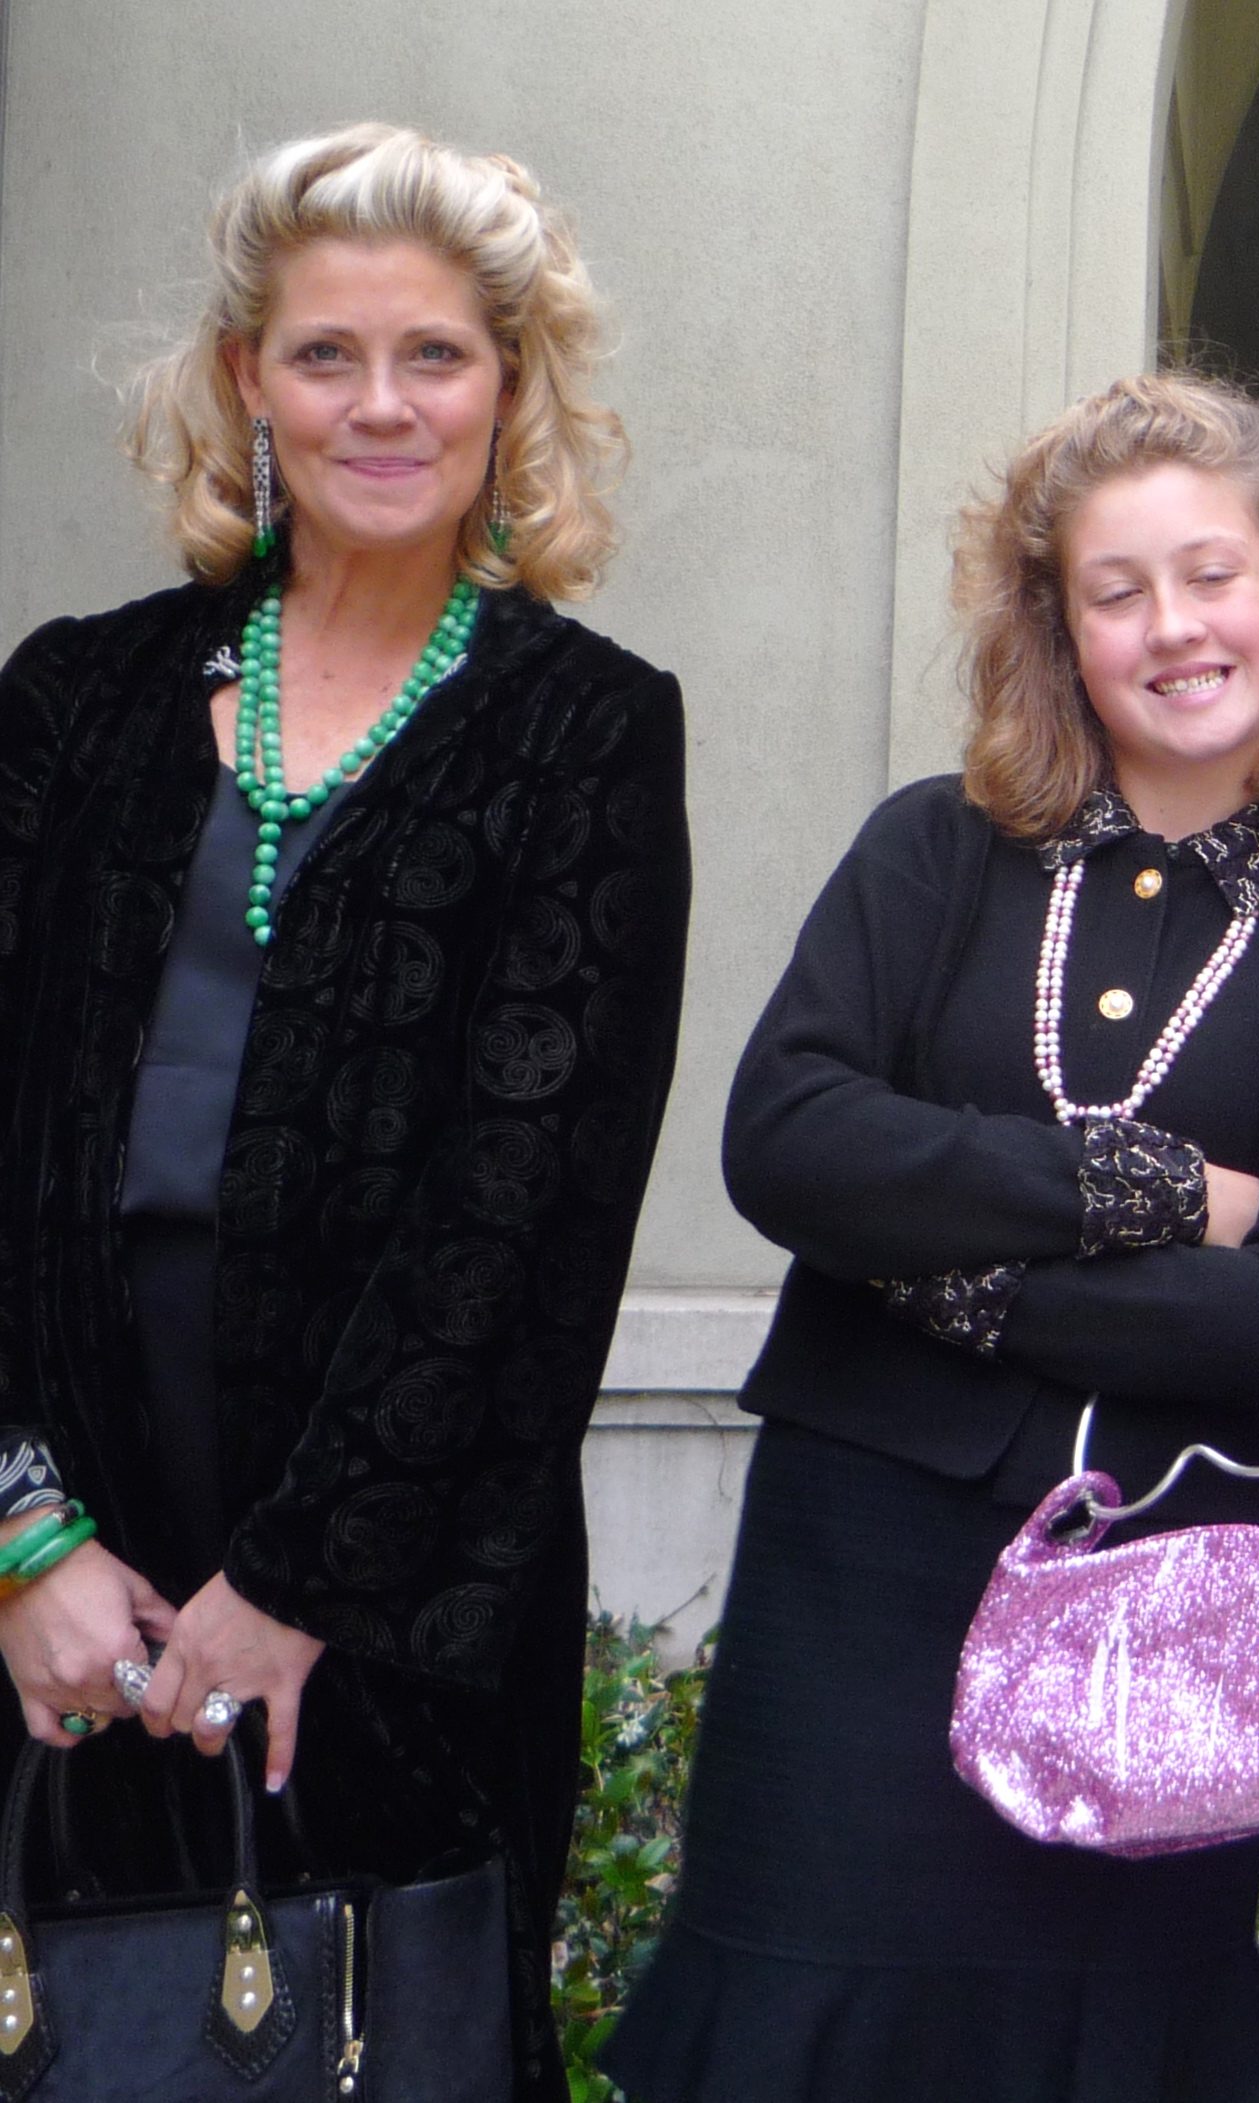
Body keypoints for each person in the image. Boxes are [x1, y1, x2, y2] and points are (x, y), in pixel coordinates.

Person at [601, 372, 1259, 2103]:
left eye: (1212, 576)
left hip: (1164, 1617)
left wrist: (940, 1276)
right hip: (856, 1587)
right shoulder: (935, 851)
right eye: (1116, 592)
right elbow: (790, 1140)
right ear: (1062, 633)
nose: (1172, 627)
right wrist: (1157, 1199)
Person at [0, 124, 688, 2099]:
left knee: (375, 2042)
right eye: (325, 354)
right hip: (59, 1555)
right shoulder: (73, 699)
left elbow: (529, 1214)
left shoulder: (584, 730)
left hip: (397, 1605)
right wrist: (23, 1532)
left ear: (508, 387)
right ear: (248, 380)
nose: (380, 405)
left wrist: (302, 1585)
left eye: (434, 356)